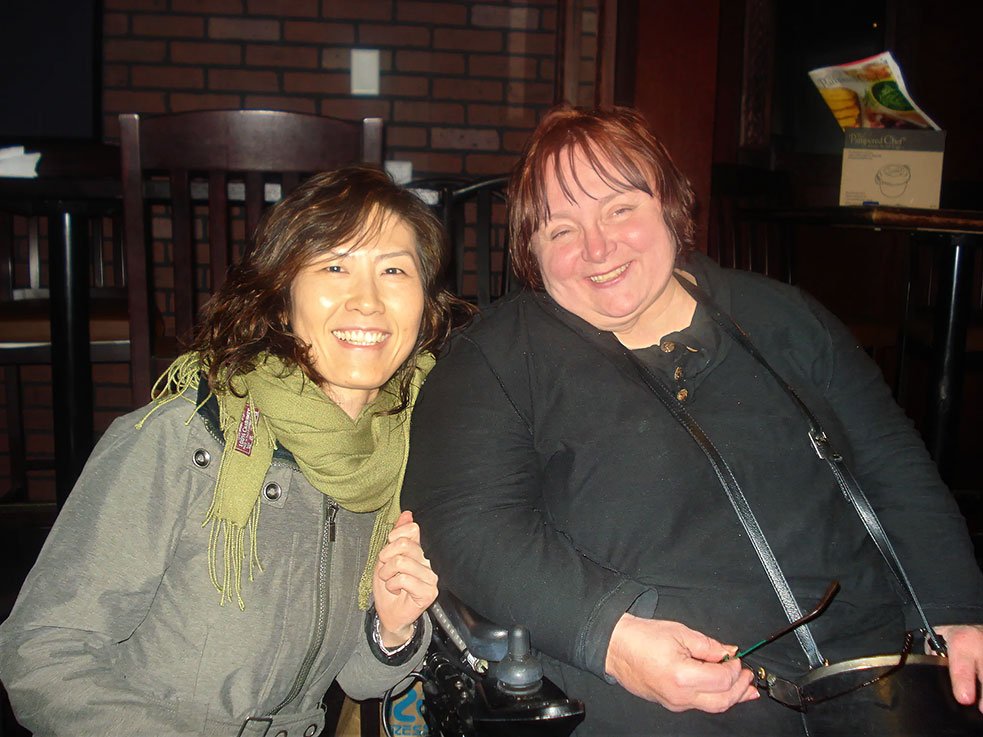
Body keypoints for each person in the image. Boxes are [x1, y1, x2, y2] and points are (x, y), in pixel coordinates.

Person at [401, 105, 983, 735]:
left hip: (876, 664)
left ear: (670, 207)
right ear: (530, 253)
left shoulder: (785, 316)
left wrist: (955, 608)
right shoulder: (493, 358)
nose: (597, 247)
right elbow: (465, 521)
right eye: (561, 230)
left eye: (621, 209)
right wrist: (613, 638)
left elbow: (894, 465)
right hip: (658, 696)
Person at [0, 167, 466, 736]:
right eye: (335, 266)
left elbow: (359, 681)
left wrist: (390, 630)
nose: (366, 301)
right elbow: (42, 651)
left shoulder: (393, 457)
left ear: (424, 306)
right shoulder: (183, 439)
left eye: (393, 270)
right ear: (280, 299)